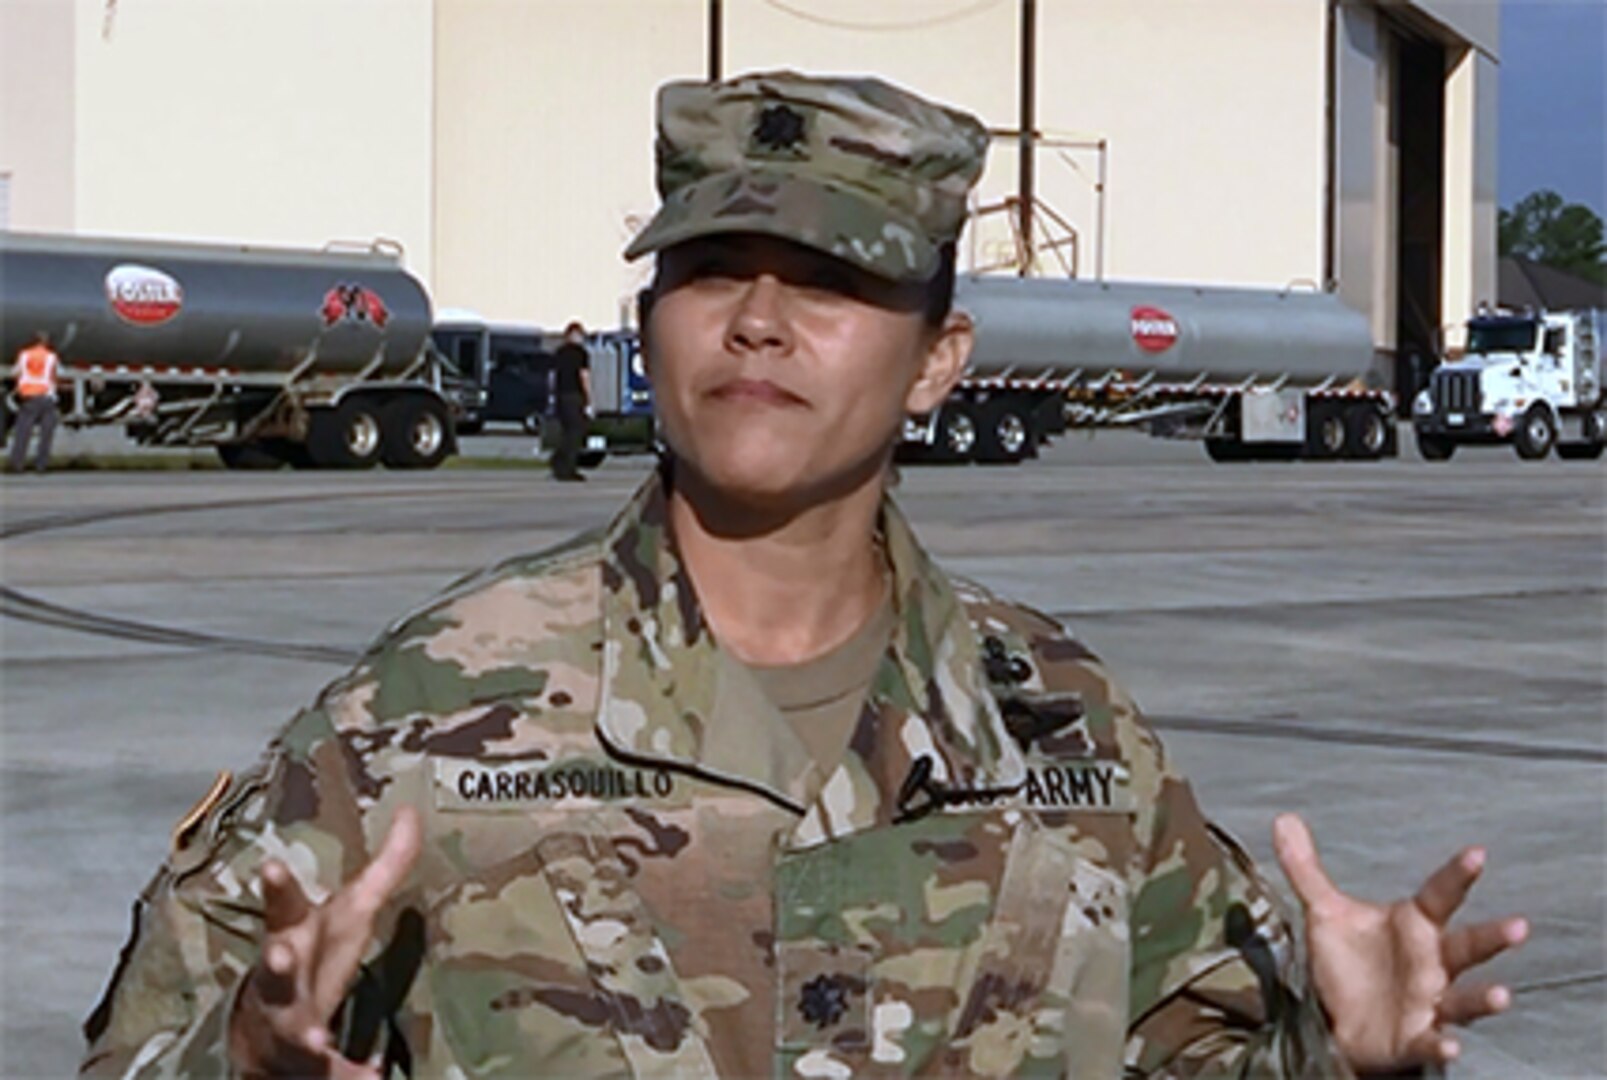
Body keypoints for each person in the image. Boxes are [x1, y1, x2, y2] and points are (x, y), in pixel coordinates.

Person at [82, 72, 1525, 1079]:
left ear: (937, 358)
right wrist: (247, 1063)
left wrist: (1333, 1054)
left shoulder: (1065, 736)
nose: (760, 320)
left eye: (832, 282)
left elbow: (1192, 1057)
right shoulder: (429, 715)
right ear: (648, 324)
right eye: (712, 270)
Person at [7, 330, 62, 474]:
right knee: (46, 434)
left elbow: (15, 373)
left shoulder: (24, 355)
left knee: (23, 432)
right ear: (46, 342)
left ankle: (17, 464)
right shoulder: (51, 357)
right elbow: (56, 375)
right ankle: (41, 465)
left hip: (28, 397)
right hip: (47, 397)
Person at [549, 320, 593, 481]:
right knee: (576, 432)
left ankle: (559, 462)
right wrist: (588, 398)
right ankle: (567, 467)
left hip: (561, 395)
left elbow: (552, 376)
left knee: (567, 431)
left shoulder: (559, 352)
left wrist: (553, 395)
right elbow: (584, 376)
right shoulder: (580, 353)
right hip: (574, 394)